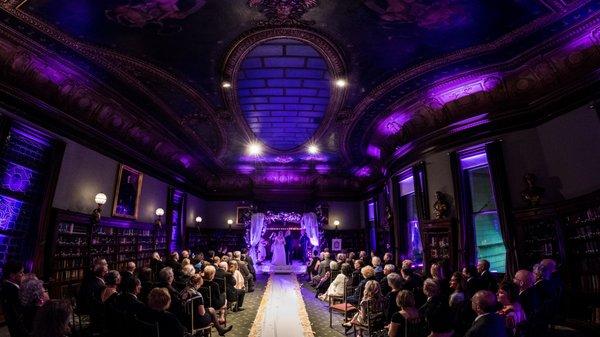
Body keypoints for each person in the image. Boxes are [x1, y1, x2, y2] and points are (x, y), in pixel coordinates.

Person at [1, 261, 27, 337]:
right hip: (17, 323)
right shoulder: (12, 289)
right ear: (12, 275)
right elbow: (19, 309)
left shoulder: (7, 285)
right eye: (21, 273)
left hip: (13, 321)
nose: (23, 275)